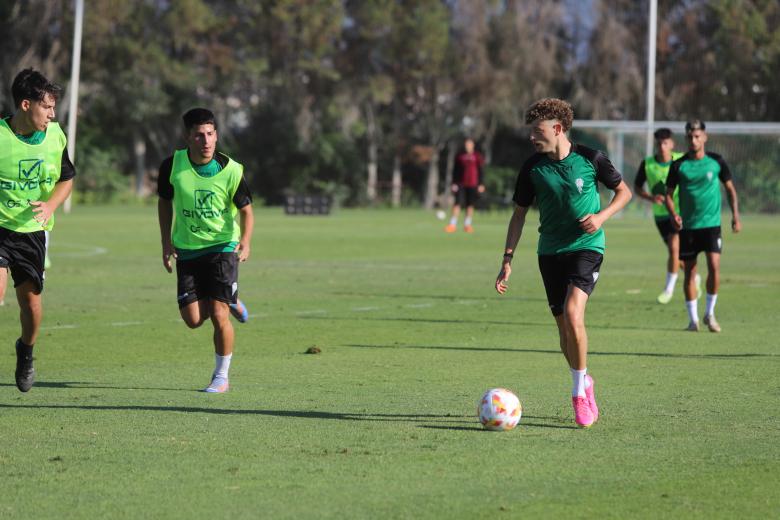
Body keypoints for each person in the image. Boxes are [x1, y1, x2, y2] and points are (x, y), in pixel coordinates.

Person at [495, 98, 632, 428]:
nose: (532, 137)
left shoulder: (591, 158)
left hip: (587, 247)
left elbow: (624, 192)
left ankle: (578, 393)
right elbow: (518, 216)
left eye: (537, 130)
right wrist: (507, 260)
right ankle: (584, 378)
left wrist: (601, 217)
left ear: (557, 129)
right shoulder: (532, 168)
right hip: (549, 253)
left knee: (574, 313)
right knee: (563, 330)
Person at [157, 108, 254, 393]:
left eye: (210, 134)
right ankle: (231, 298)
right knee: (193, 320)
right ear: (188, 137)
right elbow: (164, 202)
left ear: (217, 135)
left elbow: (247, 212)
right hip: (187, 250)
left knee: (218, 314)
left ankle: (221, 377)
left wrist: (245, 242)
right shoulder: (172, 166)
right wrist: (165, 241)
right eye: (199, 135)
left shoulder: (232, 170)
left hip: (223, 247)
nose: (206, 141)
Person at [0, 68, 75, 392]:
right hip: (0, 228)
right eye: (47, 107)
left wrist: (50, 206)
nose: (52, 114)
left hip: (31, 232)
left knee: (30, 305)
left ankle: (26, 350)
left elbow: (66, 178)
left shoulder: (55, 137)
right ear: (26, 105)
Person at [665, 120, 740, 333]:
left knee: (714, 267)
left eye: (697, 136)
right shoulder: (678, 165)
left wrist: (735, 215)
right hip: (688, 227)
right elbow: (668, 195)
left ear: (704, 137)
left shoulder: (716, 161)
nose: (693, 140)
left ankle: (710, 313)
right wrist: (673, 214)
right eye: (690, 136)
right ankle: (693, 320)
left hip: (712, 226)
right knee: (690, 272)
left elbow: (731, 190)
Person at [633, 128, 699, 304]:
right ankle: (694, 277)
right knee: (678, 255)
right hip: (661, 216)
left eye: (665, 143)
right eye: (659, 143)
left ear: (671, 144)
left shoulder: (681, 160)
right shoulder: (647, 164)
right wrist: (651, 197)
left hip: (680, 213)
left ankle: (668, 289)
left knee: (674, 249)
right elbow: (637, 188)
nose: (662, 147)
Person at [445, 138, 485, 233]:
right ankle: (452, 224)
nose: (467, 146)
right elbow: (455, 170)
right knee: (457, 203)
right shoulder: (459, 156)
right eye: (466, 144)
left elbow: (481, 171)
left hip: (473, 184)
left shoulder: (477, 156)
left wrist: (481, 184)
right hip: (460, 184)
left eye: (469, 144)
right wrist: (454, 183)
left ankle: (467, 225)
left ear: (473, 145)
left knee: (470, 204)